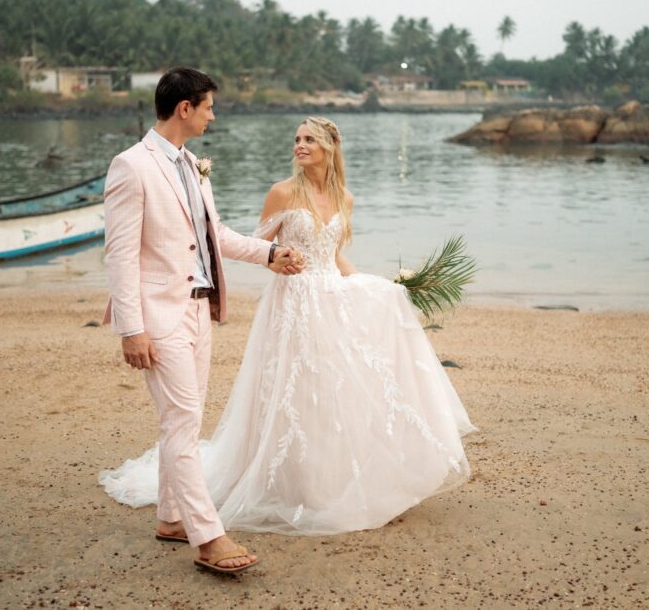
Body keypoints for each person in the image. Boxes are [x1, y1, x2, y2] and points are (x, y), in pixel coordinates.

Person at [102, 116, 475, 537]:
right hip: (293, 305)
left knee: (333, 394)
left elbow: (334, 258)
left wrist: (376, 291)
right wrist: (279, 260)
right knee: (293, 392)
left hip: (331, 303)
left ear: (331, 147)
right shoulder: (282, 192)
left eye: (309, 139)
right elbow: (254, 247)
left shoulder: (345, 199)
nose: (299, 145)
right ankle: (277, 487)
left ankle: (327, 485)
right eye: (297, 139)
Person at [101, 67, 303, 574]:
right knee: (183, 422)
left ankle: (171, 516)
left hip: (198, 310)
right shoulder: (131, 166)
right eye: (209, 106)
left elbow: (216, 235)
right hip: (157, 315)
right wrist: (132, 329)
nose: (214, 115)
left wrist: (270, 252)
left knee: (184, 421)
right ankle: (208, 537)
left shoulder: (192, 165)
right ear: (185, 108)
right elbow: (120, 255)